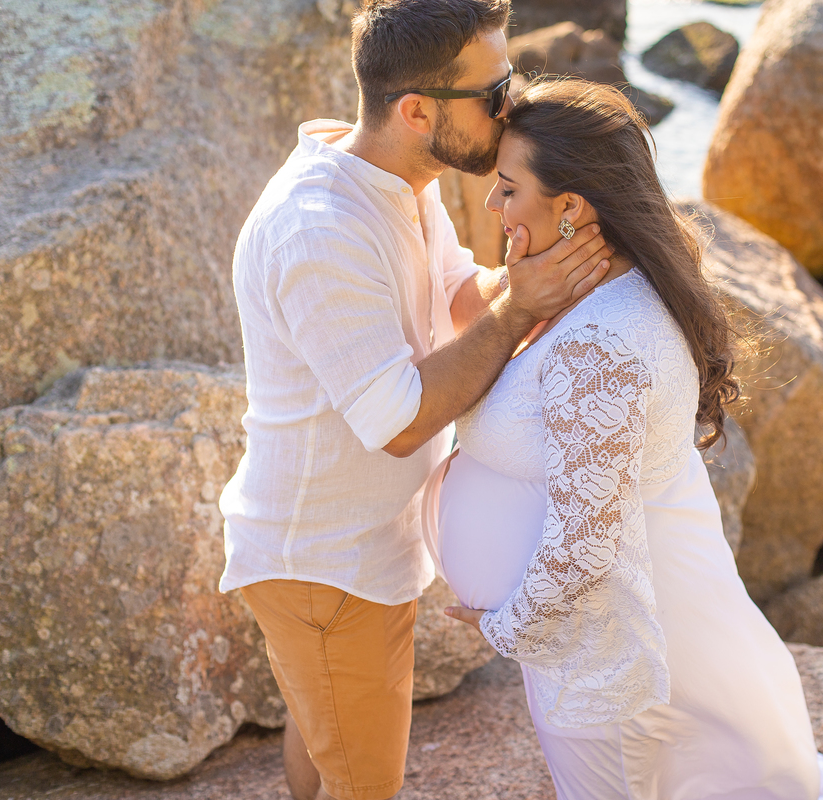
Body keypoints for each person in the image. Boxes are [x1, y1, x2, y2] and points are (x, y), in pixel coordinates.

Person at [216, 2, 612, 798]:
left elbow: (463, 297)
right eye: (494, 91)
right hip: (326, 569)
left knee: (322, 734)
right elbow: (398, 420)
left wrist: (572, 283)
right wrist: (520, 308)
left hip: (353, 554)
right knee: (366, 784)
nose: (513, 106)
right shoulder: (320, 229)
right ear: (418, 110)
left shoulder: (403, 179)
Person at [431, 78, 823, 799]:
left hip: (616, 661)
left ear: (572, 208)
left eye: (507, 188)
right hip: (602, 641)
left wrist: (504, 626)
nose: (493, 207)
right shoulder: (594, 295)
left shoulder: (604, 343)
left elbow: (588, 544)